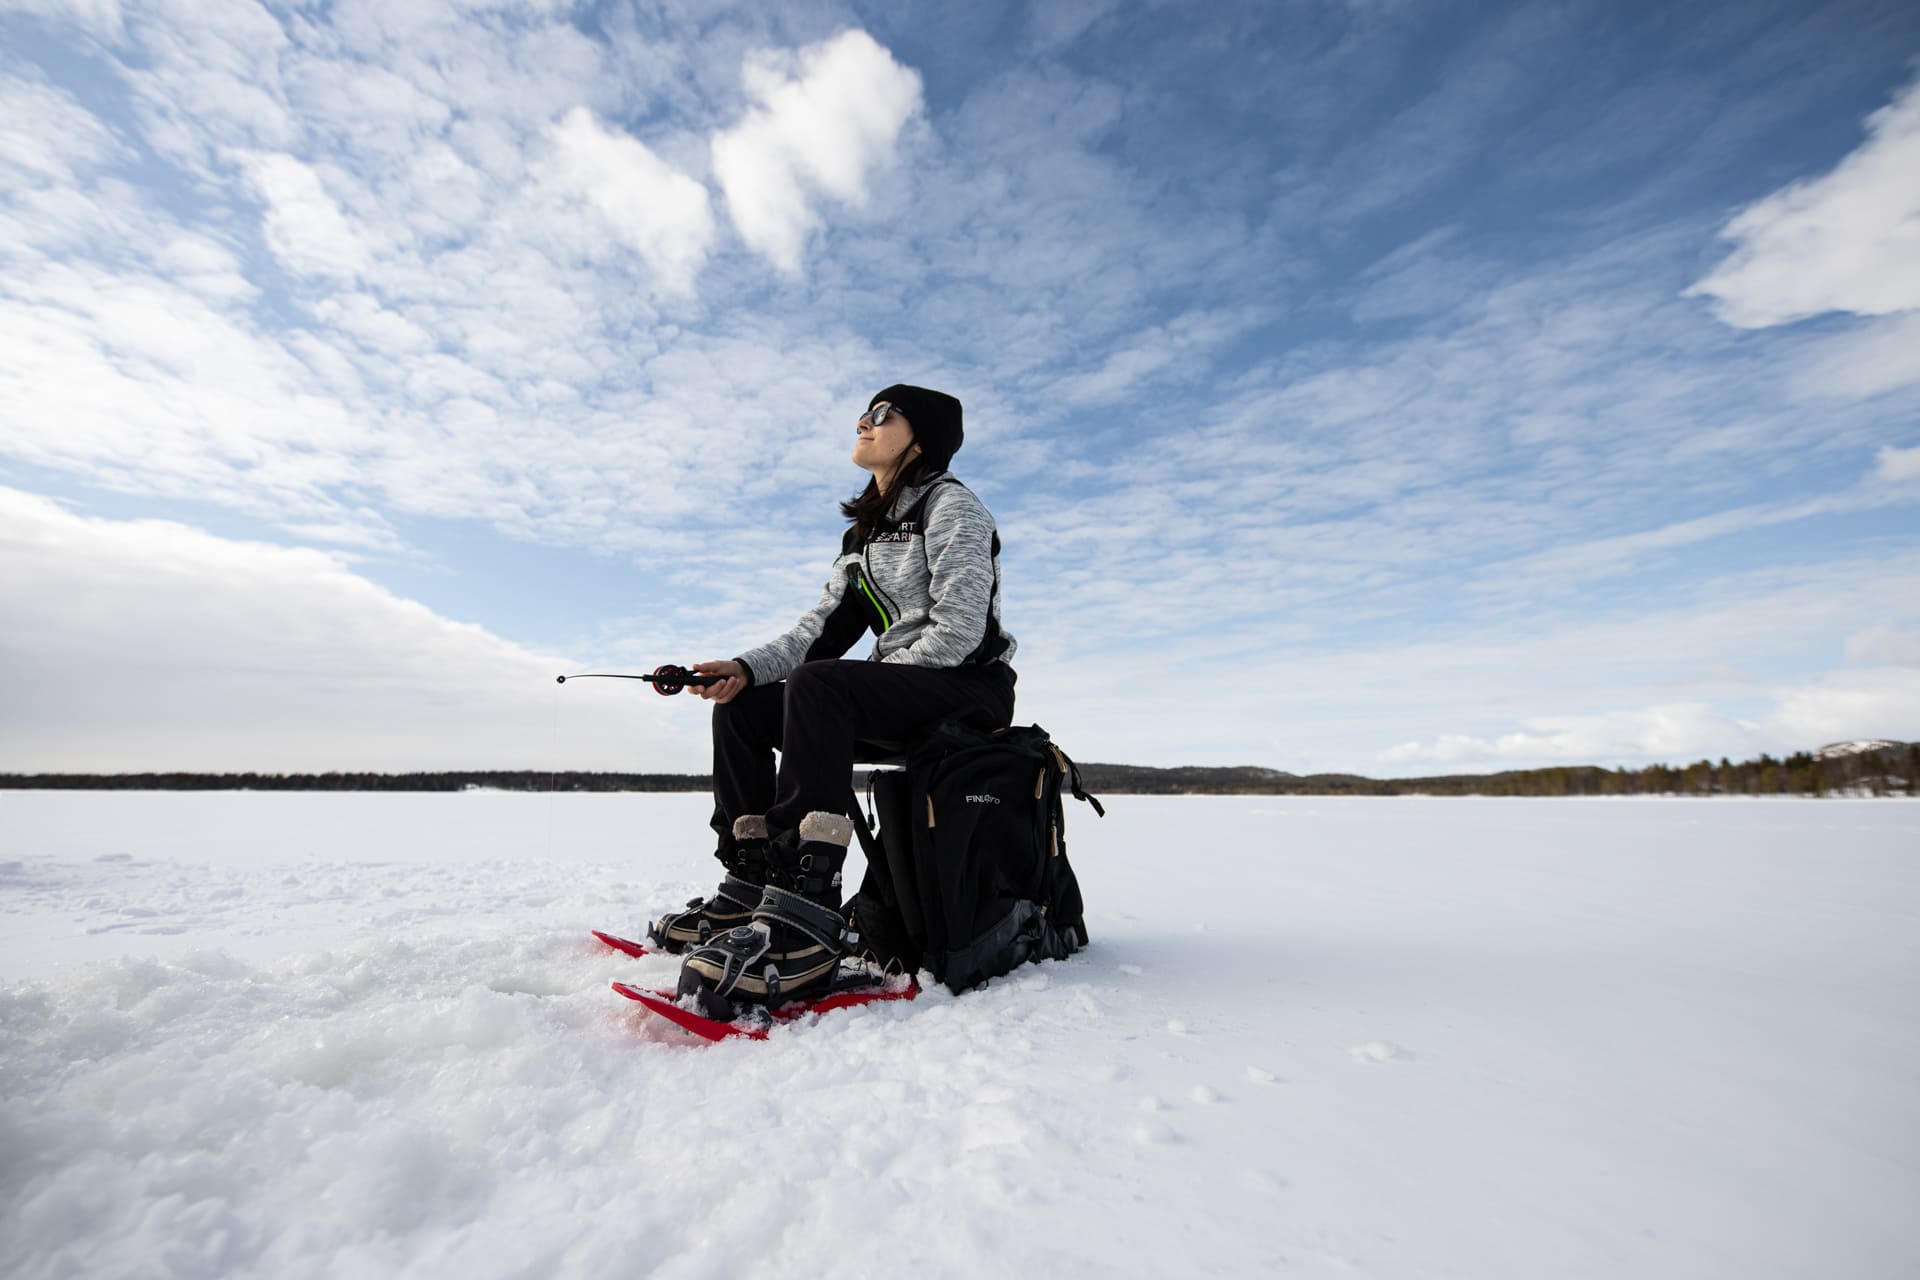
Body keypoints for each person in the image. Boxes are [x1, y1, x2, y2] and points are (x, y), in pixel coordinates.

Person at [649, 384, 1018, 1015]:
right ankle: (750, 885)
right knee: (745, 704)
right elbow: (812, 637)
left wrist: (863, 684)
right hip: (899, 687)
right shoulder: (863, 537)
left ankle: (806, 916)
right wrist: (741, 668)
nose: (864, 422)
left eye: (883, 416)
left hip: (968, 686)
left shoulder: (952, 508)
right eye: (865, 413)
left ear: (920, 436)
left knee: (820, 687)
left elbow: (960, 631)